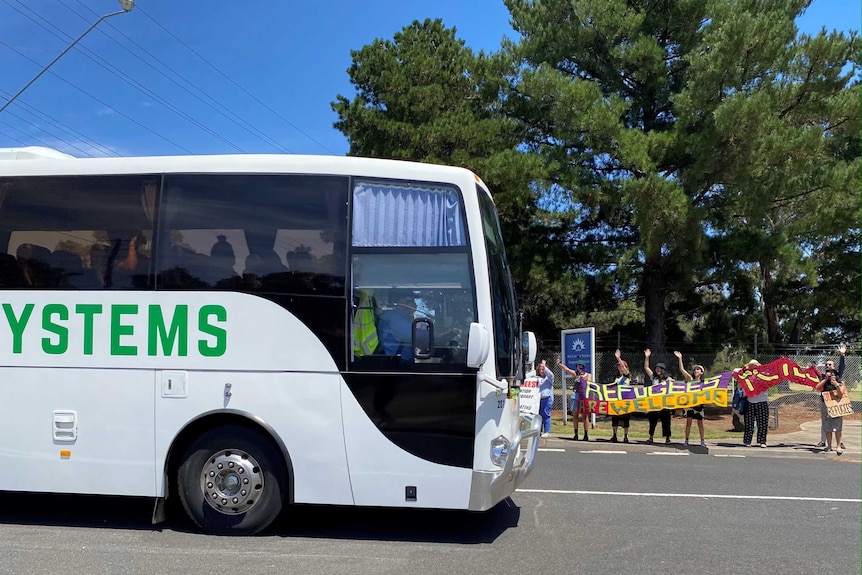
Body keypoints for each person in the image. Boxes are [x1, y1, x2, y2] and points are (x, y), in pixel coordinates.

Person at [816, 344, 847, 449]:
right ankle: (824, 442)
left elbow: (842, 367)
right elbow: (817, 387)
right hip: (825, 402)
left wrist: (842, 354)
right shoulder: (823, 376)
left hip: (836, 402)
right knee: (825, 422)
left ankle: (839, 443)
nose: (828, 366)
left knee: (837, 423)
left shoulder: (838, 375)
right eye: (827, 365)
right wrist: (825, 379)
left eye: (830, 364)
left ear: (833, 366)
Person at [674, 351, 706, 447]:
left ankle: (702, 441)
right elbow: (682, 369)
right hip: (690, 406)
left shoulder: (704, 382)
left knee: (700, 424)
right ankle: (686, 440)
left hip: (699, 406)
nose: (696, 371)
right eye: (695, 369)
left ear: (701, 372)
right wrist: (680, 358)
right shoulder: (690, 379)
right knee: (689, 422)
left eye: (698, 369)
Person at [814, 368, 846, 455]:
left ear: (836, 375)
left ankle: (838, 446)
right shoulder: (825, 383)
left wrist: (836, 384)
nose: (831, 375)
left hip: (837, 407)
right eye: (829, 373)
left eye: (833, 374)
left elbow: (840, 394)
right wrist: (825, 379)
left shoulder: (840, 383)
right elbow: (817, 387)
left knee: (837, 427)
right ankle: (829, 446)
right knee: (828, 428)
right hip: (826, 407)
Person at [558, 359, 592, 441]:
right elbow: (567, 369)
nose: (578, 367)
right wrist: (559, 364)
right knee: (575, 415)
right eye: (577, 366)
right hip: (575, 394)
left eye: (580, 366)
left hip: (583, 396)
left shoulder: (588, 375)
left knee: (585, 416)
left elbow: (590, 384)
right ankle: (576, 434)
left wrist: (583, 379)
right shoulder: (575, 374)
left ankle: (586, 434)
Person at [644, 349, 673, 444]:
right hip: (654, 403)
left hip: (664, 403)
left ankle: (667, 438)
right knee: (652, 421)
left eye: (659, 369)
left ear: (663, 370)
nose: (657, 370)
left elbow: (675, 385)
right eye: (656, 368)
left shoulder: (668, 379)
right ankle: (651, 436)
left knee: (666, 421)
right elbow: (646, 367)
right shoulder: (654, 377)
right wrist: (647, 357)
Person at [378, 290, 416, 361]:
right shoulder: (391, 317)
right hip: (393, 362)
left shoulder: (405, 317)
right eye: (411, 301)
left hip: (404, 359)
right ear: (401, 301)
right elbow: (413, 335)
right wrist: (435, 335)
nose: (414, 304)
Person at [740, 359, 769, 448]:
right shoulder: (746, 377)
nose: (753, 367)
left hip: (762, 401)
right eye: (751, 366)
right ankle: (747, 441)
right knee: (749, 423)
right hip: (750, 401)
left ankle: (762, 441)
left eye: (754, 366)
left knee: (763, 423)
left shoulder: (764, 375)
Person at [609, 349, 631, 443]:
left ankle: (625, 436)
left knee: (626, 419)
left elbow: (626, 371)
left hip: (625, 399)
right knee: (615, 418)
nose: (620, 367)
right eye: (618, 366)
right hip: (616, 399)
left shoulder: (627, 376)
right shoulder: (616, 377)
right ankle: (614, 435)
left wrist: (618, 358)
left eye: (621, 366)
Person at [537, 359, 555, 438]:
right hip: (537, 399)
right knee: (539, 415)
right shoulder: (537, 379)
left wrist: (545, 367)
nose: (541, 371)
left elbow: (551, 375)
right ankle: (539, 431)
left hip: (546, 398)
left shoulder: (549, 379)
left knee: (545, 414)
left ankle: (547, 431)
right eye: (540, 369)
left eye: (543, 369)